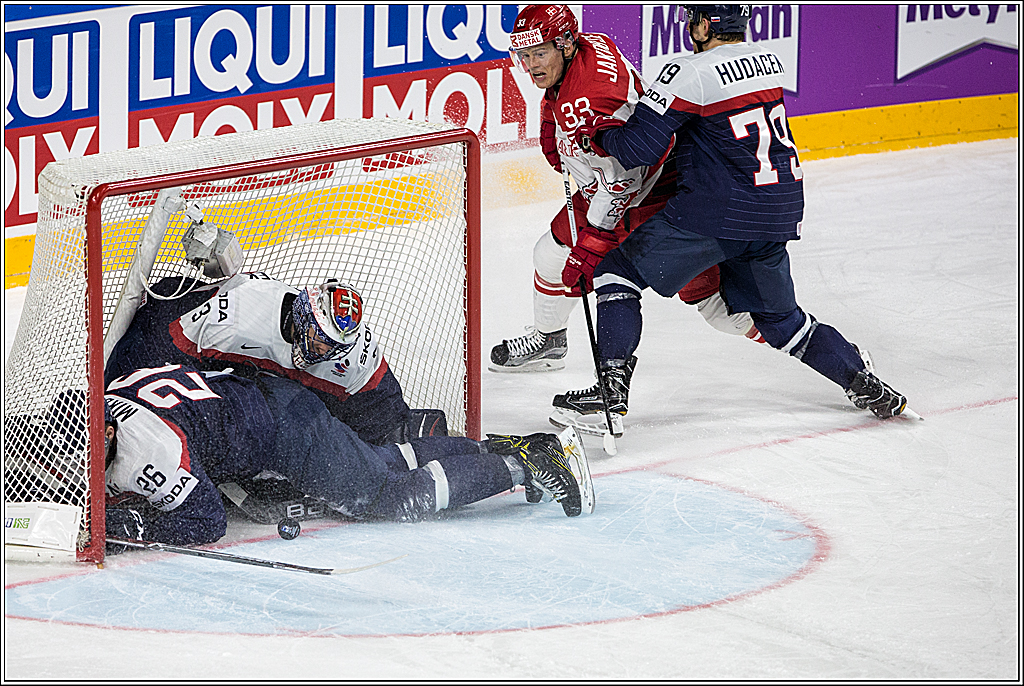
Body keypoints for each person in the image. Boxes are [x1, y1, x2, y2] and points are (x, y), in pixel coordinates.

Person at [553, 4, 908, 426]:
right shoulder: (768, 61)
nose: (688, 27)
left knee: (615, 273)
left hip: (718, 212)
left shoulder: (689, 72)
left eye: (692, 19)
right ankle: (863, 381)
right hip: (778, 209)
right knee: (782, 322)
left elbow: (639, 149)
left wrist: (598, 134)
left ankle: (609, 394)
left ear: (705, 25)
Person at [489, 4, 764, 373]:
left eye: (540, 53)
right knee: (549, 254)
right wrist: (552, 118)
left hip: (657, 196)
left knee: (717, 309)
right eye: (524, 55)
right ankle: (550, 339)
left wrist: (593, 241)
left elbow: (622, 181)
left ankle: (798, 336)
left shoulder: (585, 100)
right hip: (611, 184)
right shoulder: (593, 44)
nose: (532, 64)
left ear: (567, 43)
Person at [102, 363, 587, 548]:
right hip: (269, 402)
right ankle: (496, 451)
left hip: (286, 430)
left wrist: (137, 528)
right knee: (383, 464)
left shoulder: (151, 447)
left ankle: (526, 461)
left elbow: (206, 520)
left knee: (391, 500)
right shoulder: (107, 399)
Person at [105, 272, 436, 446]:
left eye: (331, 346)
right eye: (319, 339)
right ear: (304, 315)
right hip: (172, 346)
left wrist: (390, 439)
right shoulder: (234, 317)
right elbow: (157, 336)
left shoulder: (352, 353)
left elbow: (379, 398)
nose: (323, 351)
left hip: (249, 372)